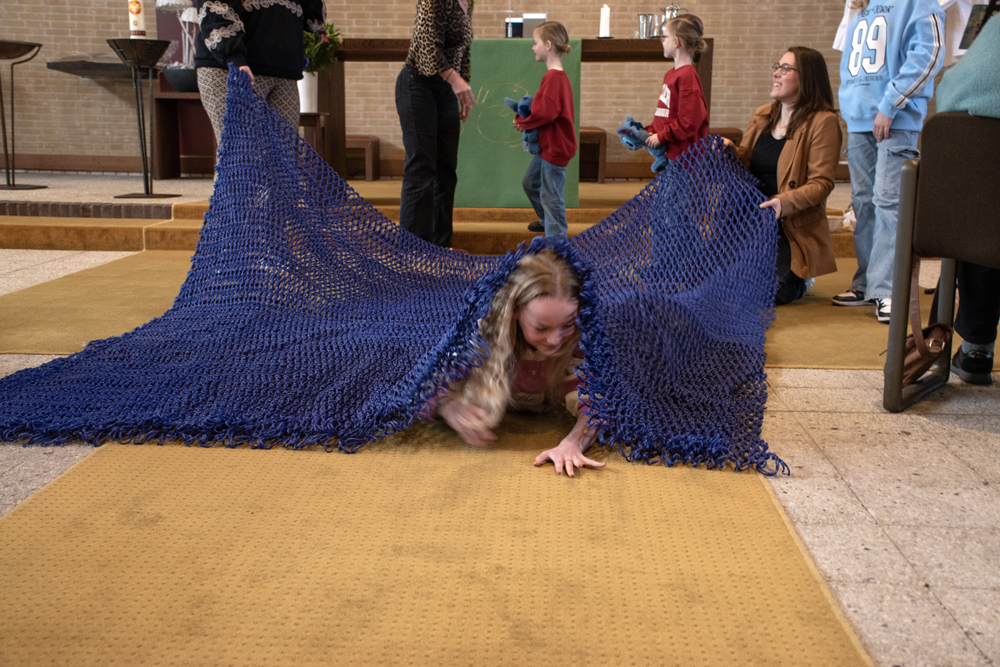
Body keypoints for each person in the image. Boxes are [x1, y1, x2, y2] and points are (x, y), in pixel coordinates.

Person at [423, 249, 605, 477]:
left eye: (567, 325)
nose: (555, 340)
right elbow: (421, 385)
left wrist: (573, 443)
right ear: (515, 311)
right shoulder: (479, 335)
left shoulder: (580, 340)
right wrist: (449, 407)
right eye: (541, 328)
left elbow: (594, 403)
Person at [832, 0, 945, 322]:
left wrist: (891, 104)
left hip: (895, 118)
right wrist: (850, 108)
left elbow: (929, 54)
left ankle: (887, 290)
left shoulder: (918, 3)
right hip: (859, 118)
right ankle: (867, 283)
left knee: (888, 203)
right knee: (863, 202)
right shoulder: (860, 4)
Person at [728, 47, 841, 305]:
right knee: (716, 282)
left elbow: (821, 183)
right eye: (777, 67)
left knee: (768, 292)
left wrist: (783, 202)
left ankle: (802, 278)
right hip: (750, 219)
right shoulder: (763, 115)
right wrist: (727, 150)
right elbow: (744, 160)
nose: (776, 73)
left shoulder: (823, 122)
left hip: (789, 225)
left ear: (807, 77)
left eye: (786, 69)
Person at [936, 11, 1000, 384]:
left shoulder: (985, 45)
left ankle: (977, 348)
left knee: (980, 224)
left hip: (975, 216)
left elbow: (948, 95)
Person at [395, 0, 476, 248]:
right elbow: (428, 44)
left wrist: (462, 89)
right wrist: (457, 82)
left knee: (446, 170)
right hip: (418, 84)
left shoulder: (468, 2)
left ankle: (441, 245)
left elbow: (463, 51)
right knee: (422, 168)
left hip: (445, 89)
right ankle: (413, 249)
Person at [194, 0, 326, 146]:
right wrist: (234, 58)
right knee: (242, 152)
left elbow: (313, 19)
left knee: (285, 152)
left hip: (283, 68)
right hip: (231, 67)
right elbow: (216, 8)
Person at [513, 22, 577, 240]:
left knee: (551, 196)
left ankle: (557, 245)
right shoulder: (554, 77)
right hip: (547, 146)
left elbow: (545, 113)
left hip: (555, 147)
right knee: (530, 183)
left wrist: (523, 120)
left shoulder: (553, 78)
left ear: (548, 45)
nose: (533, 47)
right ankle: (546, 221)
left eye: (535, 43)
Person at [643, 14, 709, 166]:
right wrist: (652, 130)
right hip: (669, 150)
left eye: (664, 37)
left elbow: (690, 121)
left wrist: (662, 136)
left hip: (683, 157)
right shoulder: (671, 74)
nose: (662, 42)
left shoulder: (687, 76)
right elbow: (666, 113)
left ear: (676, 41)